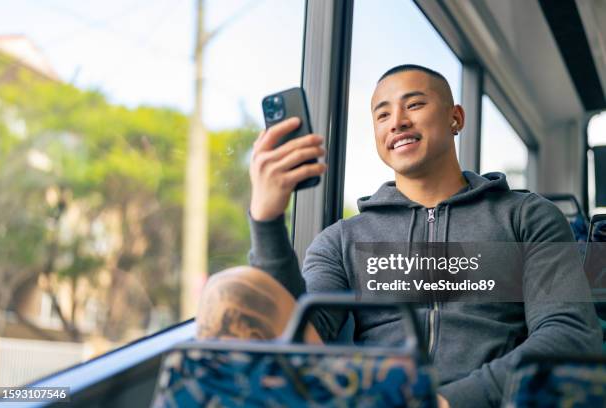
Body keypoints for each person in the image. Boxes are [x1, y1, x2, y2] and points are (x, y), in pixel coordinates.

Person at [195, 64, 602, 407]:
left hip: (491, 402)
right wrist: (266, 218)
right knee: (228, 291)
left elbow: (568, 333)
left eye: (416, 104)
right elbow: (297, 339)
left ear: (455, 118)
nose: (398, 122)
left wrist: (448, 401)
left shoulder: (527, 217)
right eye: (382, 115)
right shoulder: (341, 241)